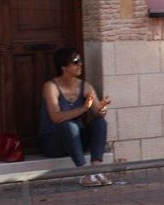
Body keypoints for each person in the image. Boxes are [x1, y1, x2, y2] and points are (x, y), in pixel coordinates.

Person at [40, 47, 113, 187]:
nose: (80, 64)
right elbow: (56, 117)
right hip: (54, 143)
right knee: (68, 125)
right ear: (63, 66)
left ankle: (96, 170)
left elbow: (98, 113)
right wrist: (84, 108)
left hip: (76, 141)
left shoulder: (85, 86)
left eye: (80, 61)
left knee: (100, 123)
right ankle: (84, 173)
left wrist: (103, 107)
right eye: (75, 61)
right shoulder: (51, 86)